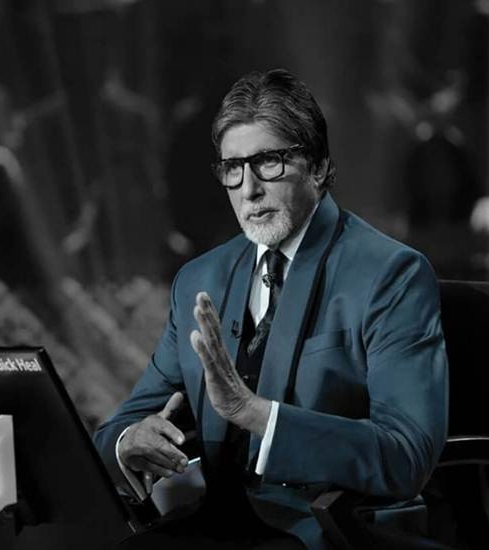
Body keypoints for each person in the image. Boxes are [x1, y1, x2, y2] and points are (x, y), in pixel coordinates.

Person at [94, 68, 449, 550]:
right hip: (218, 519)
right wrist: (129, 441)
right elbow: (118, 428)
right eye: (233, 168)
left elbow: (406, 455)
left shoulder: (391, 275)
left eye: (269, 163)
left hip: (329, 529)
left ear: (318, 167)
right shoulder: (199, 281)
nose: (249, 189)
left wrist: (256, 414)